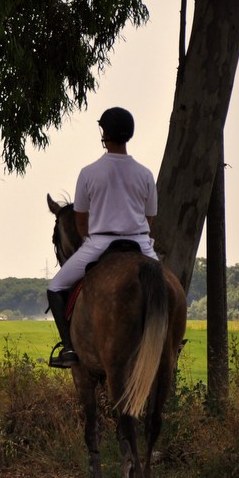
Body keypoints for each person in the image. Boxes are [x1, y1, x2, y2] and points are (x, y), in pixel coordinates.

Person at [47, 107, 159, 368]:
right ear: (129, 134)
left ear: (104, 134)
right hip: (141, 243)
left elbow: (81, 219)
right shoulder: (145, 173)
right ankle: (171, 343)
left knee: (54, 287)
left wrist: (90, 238)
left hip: (100, 243)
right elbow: (150, 218)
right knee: (165, 285)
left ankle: (69, 349)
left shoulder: (88, 172)